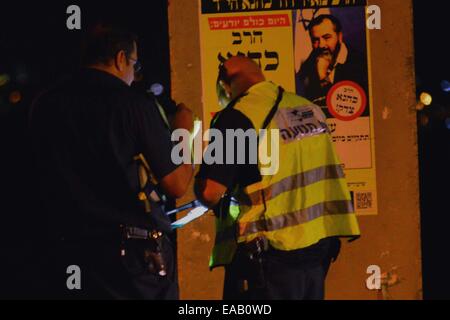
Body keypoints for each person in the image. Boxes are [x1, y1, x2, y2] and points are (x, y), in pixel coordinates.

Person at [28, 25, 194, 299]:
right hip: (131, 261)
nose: (134, 75)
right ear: (120, 59)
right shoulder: (133, 105)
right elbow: (177, 184)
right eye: (134, 65)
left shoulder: (44, 104)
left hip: (62, 254)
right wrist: (183, 133)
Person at [195, 56, 360, 300]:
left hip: (269, 257)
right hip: (316, 251)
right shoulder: (308, 109)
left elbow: (210, 193)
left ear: (225, 83)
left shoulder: (236, 117)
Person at [296, 14, 368, 108]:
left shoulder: (361, 63)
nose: (321, 45)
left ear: (340, 37)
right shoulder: (308, 65)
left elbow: (343, 108)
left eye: (326, 37)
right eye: (315, 40)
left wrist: (323, 78)